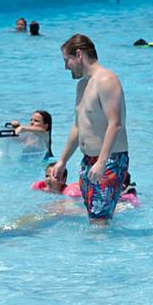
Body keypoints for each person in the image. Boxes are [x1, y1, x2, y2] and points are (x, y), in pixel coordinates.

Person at [49, 34, 129, 224]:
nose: (65, 66)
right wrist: (62, 161)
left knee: (98, 222)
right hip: (88, 161)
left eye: (66, 60)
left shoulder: (106, 80)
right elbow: (78, 127)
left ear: (78, 54)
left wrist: (102, 162)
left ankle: (101, 253)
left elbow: (115, 124)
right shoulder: (82, 86)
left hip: (109, 160)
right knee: (95, 220)